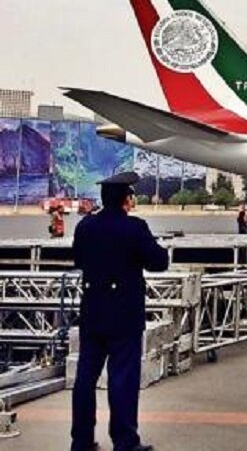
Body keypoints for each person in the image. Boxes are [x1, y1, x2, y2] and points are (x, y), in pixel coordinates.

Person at [70, 171, 169, 451]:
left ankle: (81, 441)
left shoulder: (85, 226)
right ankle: (125, 441)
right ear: (127, 199)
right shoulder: (134, 227)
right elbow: (158, 262)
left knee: (85, 378)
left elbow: (78, 259)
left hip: (92, 311)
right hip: (124, 314)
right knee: (122, 379)